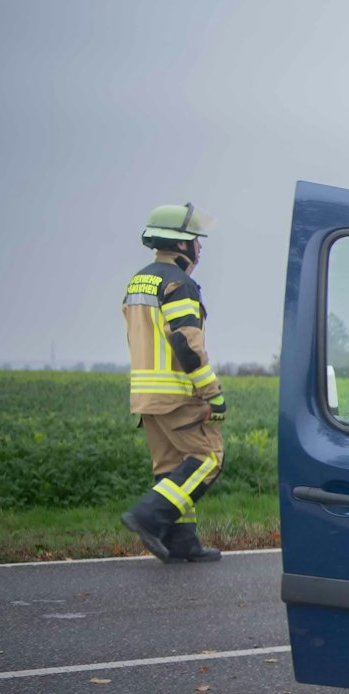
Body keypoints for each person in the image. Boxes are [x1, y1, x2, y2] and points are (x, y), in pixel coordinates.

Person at [119, 203, 226, 562]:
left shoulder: (140, 281)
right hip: (178, 394)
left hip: (146, 395)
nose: (200, 247)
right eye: (196, 240)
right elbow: (186, 343)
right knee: (208, 459)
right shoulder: (179, 283)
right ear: (181, 245)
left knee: (172, 467)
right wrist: (212, 393)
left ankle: (183, 544)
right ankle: (150, 515)